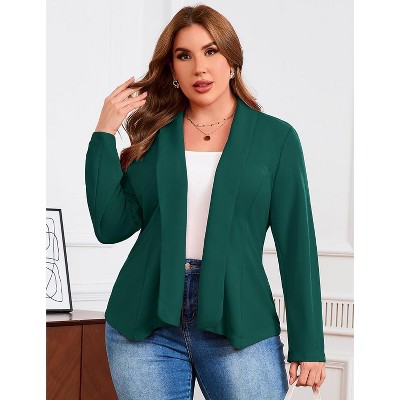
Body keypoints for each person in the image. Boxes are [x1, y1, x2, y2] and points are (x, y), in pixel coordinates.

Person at [85, 4, 326, 399]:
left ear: (231, 61)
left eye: (211, 51)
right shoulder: (154, 136)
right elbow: (111, 226)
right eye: (185, 56)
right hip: (143, 326)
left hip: (239, 324)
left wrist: (309, 345)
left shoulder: (276, 139)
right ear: (172, 70)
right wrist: (104, 133)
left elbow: (297, 245)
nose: (199, 68)